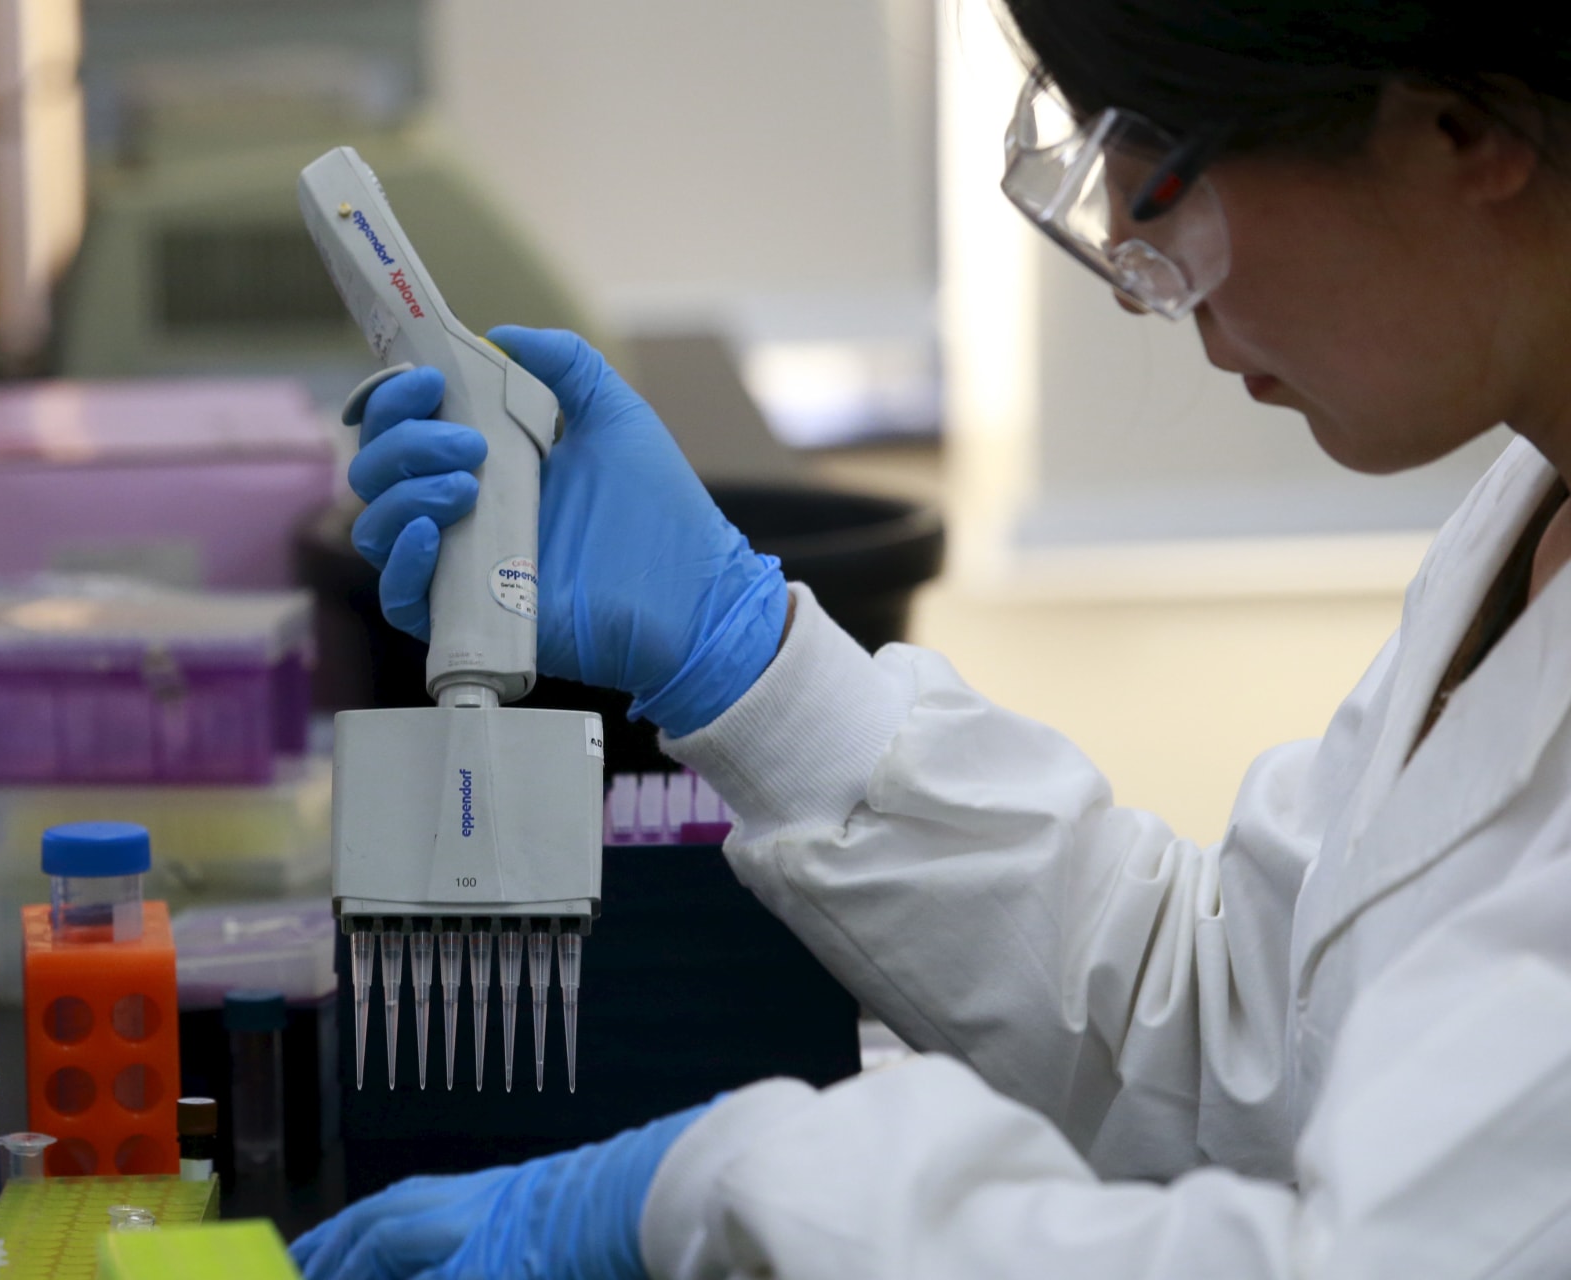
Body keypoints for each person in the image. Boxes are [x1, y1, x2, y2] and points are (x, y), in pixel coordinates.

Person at [294, 1, 1571, 1275]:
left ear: (1458, 131)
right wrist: (743, 652)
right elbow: (1226, 1036)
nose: (1148, 285)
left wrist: (725, 1184)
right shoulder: (1525, 508)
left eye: (1167, 186)